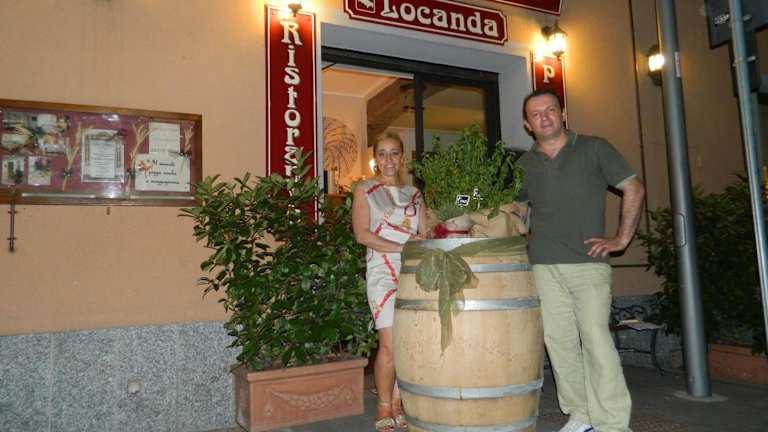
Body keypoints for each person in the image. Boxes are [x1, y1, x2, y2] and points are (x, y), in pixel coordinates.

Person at [515, 88, 645, 432]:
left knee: (596, 340)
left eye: (550, 110)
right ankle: (581, 414)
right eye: (535, 114)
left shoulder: (594, 148)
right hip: (543, 265)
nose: (544, 117)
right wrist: (463, 200)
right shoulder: (524, 165)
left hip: (588, 264)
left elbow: (634, 187)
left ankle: (613, 424)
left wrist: (621, 239)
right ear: (527, 125)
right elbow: (511, 206)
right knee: (559, 342)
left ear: (562, 113)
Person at [352, 132, 427, 432]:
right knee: (389, 343)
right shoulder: (365, 189)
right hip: (382, 270)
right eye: (382, 154)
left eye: (394, 153)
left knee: (409, 342)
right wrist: (402, 247)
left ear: (402, 157)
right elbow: (362, 235)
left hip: (414, 271)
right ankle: (383, 405)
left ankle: (398, 402)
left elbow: (425, 232)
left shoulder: (415, 193)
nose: (388, 160)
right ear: (375, 160)